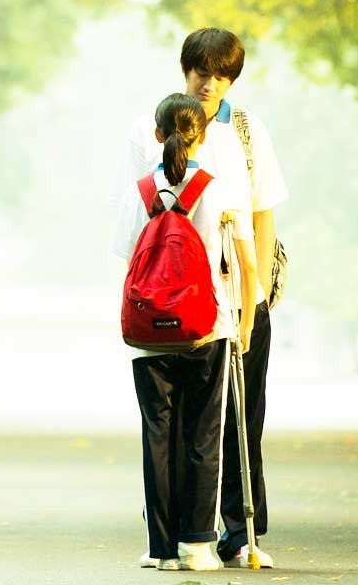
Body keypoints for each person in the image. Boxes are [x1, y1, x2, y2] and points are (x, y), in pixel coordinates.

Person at [117, 27, 288, 569]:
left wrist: (255, 297)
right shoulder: (149, 129)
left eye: (221, 74)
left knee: (242, 416)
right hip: (174, 306)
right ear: (184, 71)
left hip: (236, 298)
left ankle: (239, 525)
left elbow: (263, 213)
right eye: (200, 72)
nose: (209, 82)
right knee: (191, 422)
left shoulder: (245, 129)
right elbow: (138, 223)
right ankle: (188, 530)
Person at [113, 93, 253, 573]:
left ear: (157, 136)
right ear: (204, 135)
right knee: (202, 433)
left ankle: (162, 547)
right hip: (204, 328)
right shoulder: (216, 190)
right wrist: (246, 320)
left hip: (148, 333)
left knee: (157, 435)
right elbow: (235, 259)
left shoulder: (138, 193)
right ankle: (197, 544)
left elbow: (126, 254)